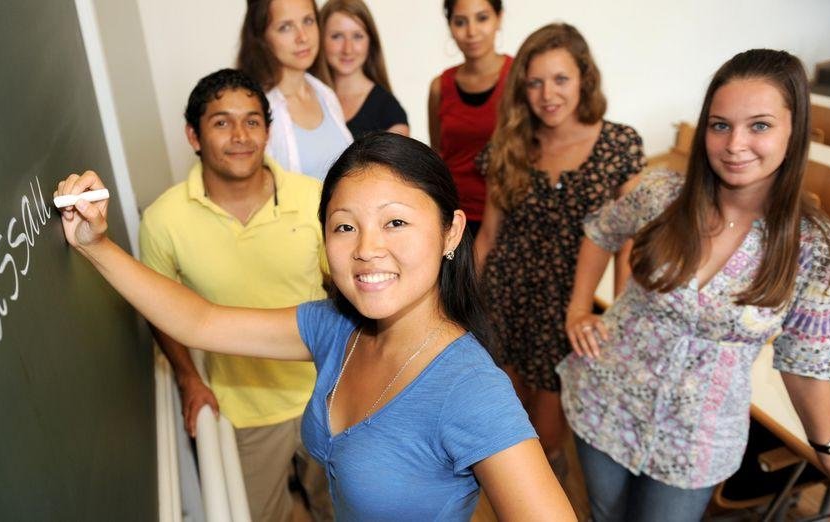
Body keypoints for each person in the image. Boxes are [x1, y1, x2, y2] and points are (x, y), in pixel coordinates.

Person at [55, 133, 576, 521]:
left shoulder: (470, 389)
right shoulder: (338, 329)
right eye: (345, 226)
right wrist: (96, 244)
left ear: (451, 232)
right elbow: (200, 321)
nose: (367, 248)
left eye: (395, 222)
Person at [558, 49, 830, 521]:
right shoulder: (662, 194)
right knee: (603, 514)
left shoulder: (813, 248)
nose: (734, 144)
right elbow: (599, 231)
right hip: (606, 400)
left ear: (796, 131)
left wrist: (827, 448)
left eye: (760, 125)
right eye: (720, 124)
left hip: (698, 441)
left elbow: (803, 363)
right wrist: (578, 310)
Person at [139, 69, 332, 522]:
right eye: (222, 122)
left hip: (328, 395)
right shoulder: (164, 220)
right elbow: (159, 309)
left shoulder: (314, 199)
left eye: (252, 121)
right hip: (243, 408)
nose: (240, 135)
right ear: (193, 135)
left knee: (348, 510)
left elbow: (345, 289)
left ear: (267, 130)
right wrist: (189, 378)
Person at [473, 23, 644, 477]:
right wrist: (467, 307)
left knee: (546, 438)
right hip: (506, 300)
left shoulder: (618, 144)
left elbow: (632, 241)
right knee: (509, 424)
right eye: (535, 82)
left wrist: (622, 321)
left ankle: (550, 492)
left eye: (561, 79)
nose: (548, 94)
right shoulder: (510, 143)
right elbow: (489, 236)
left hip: (569, 310)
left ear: (584, 79)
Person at [238, 0, 353, 181]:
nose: (303, 37)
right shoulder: (255, 110)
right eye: (285, 27)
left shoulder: (325, 94)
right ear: (261, 37)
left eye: (308, 21)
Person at [428, 0, 512, 237]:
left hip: (508, 216)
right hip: (454, 216)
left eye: (482, 18)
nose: (472, 32)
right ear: (450, 25)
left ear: (499, 18)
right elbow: (439, 154)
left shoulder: (519, 78)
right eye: (460, 22)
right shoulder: (439, 87)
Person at [318, 0, 409, 139]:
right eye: (337, 36)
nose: (348, 49)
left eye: (357, 36)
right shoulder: (306, 96)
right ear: (319, 39)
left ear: (370, 41)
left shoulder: (389, 111)